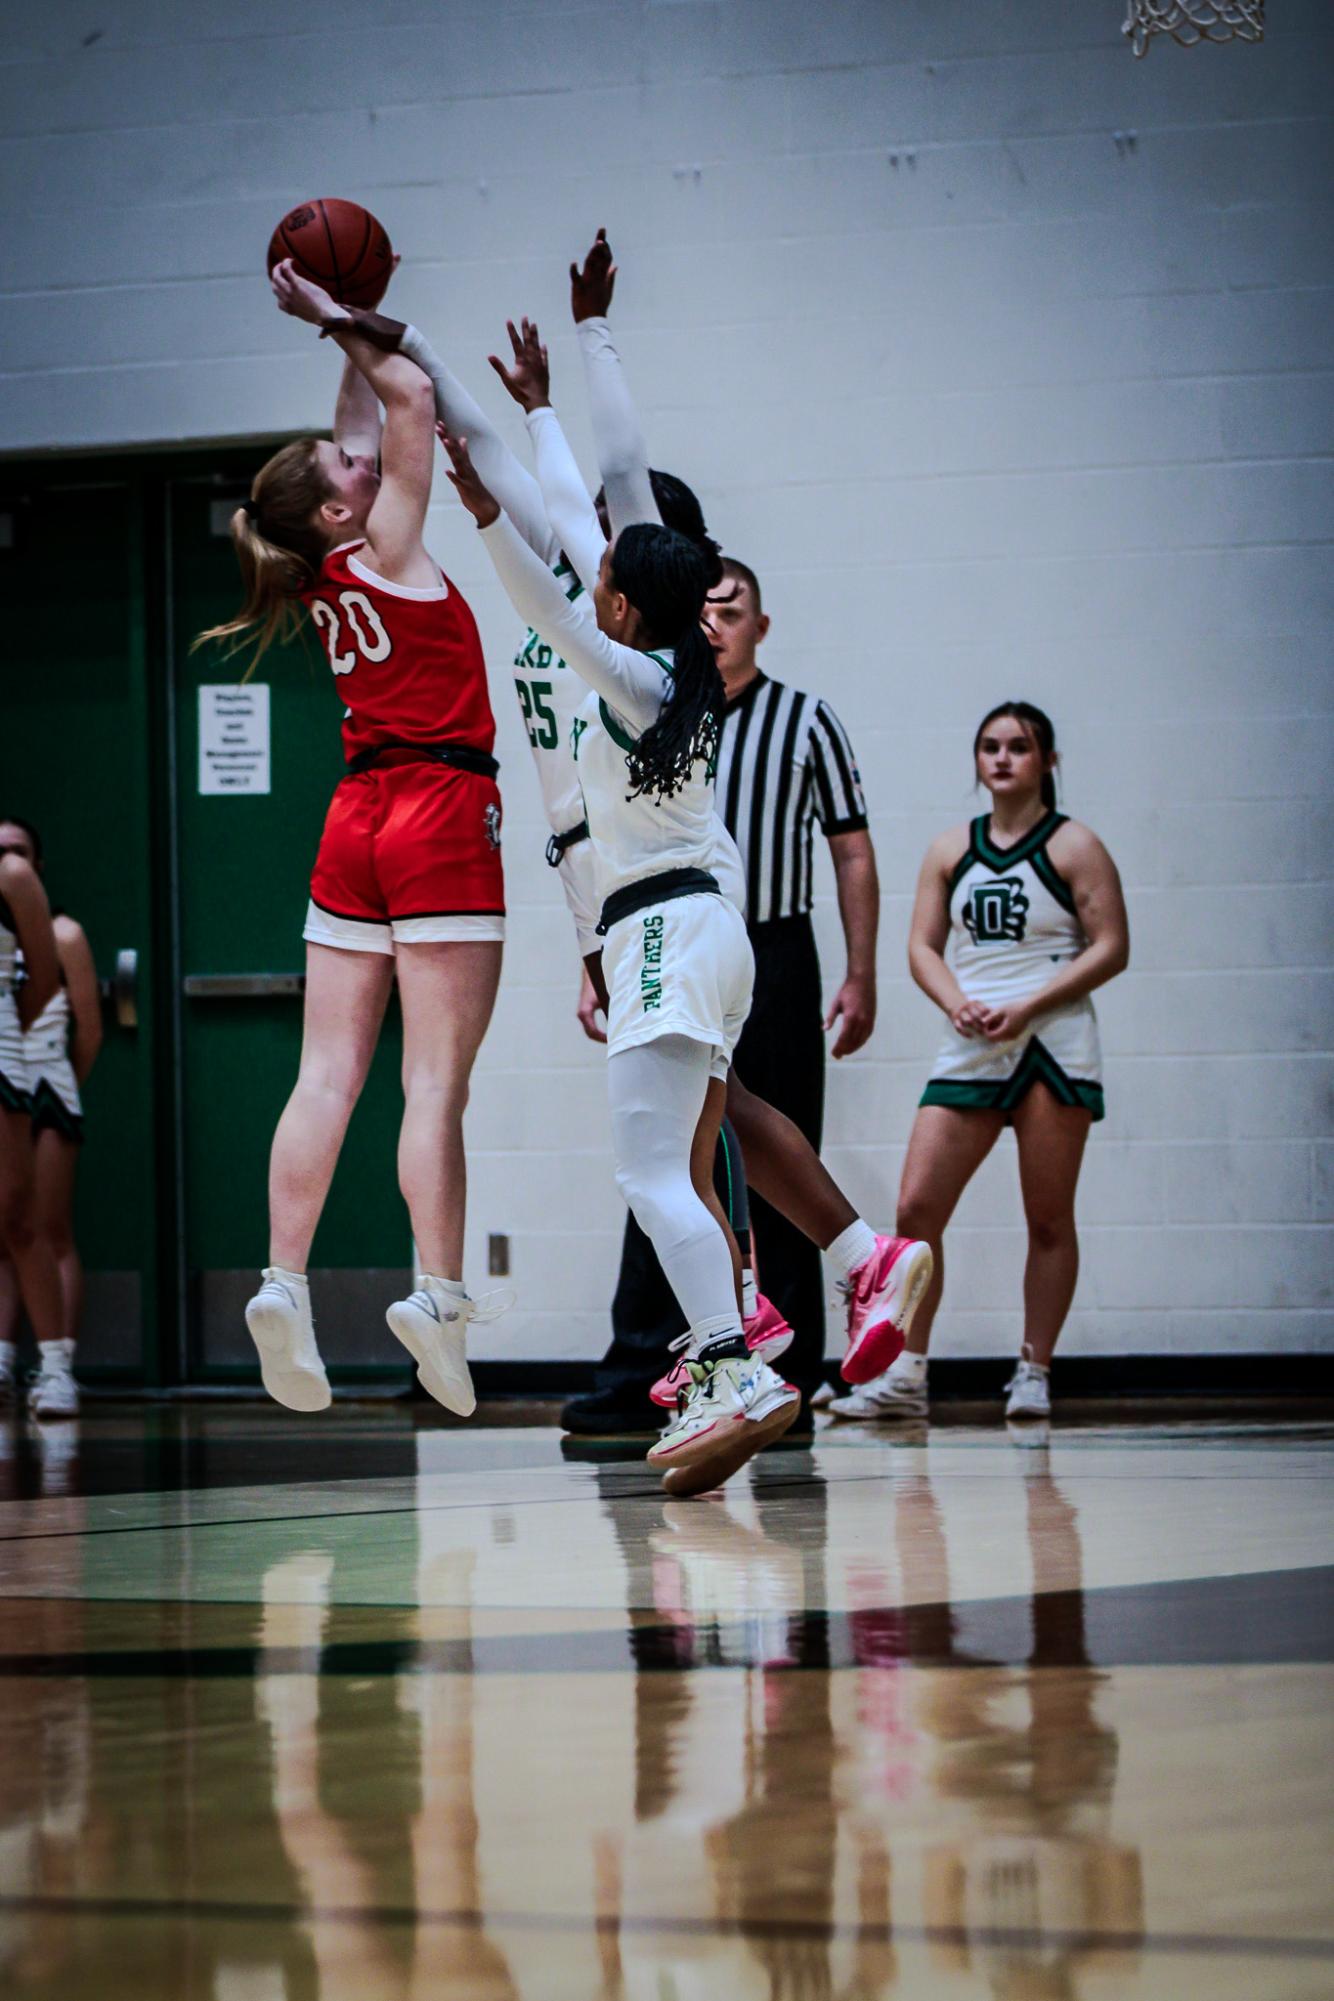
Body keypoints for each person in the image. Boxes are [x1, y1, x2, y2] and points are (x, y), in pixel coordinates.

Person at [439, 414, 802, 1496]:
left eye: (605, 569)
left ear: (623, 599)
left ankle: (734, 1363)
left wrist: (484, 515)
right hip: (706, 933)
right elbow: (616, 490)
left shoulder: (634, 680)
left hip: (659, 933)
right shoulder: (675, 664)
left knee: (649, 1174)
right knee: (681, 1169)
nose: (591, 567)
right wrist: (562, 384)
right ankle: (712, 1365)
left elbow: (541, 602)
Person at [195, 260, 505, 1419]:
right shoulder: (387, 541)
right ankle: (435, 1295)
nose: (362, 457)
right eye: (346, 468)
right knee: (433, 1083)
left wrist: (335, 338)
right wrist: (347, 318)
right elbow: (412, 403)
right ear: (338, 508)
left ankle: (284, 1280)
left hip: (353, 817)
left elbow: (363, 418)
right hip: (434, 814)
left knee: (324, 1073)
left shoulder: (323, 565)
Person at [829, 702, 1129, 1425]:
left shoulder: (1075, 844)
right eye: (990, 746)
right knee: (916, 1209)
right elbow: (922, 947)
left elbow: (1110, 945)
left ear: (1047, 761)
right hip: (972, 1037)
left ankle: (1033, 1369)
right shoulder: (949, 849)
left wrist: (1027, 1006)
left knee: (1048, 1215)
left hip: (1052, 1041)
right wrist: (956, 1000)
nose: (1001, 758)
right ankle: (907, 1374)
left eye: (1019, 747)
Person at [0, 818, 102, 1418]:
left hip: (39, 1081)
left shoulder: (61, 931)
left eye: (18, 849)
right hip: (18, 1071)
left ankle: (57, 1364)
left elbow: (84, 1027)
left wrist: (65, 1083)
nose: (9, 856)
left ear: (36, 863)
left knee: (36, 1221)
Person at [0, 821, 63, 1407]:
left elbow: (44, 976)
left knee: (17, 1213)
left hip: (2, 1049)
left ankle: (56, 1365)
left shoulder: (11, 873)